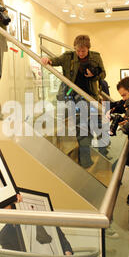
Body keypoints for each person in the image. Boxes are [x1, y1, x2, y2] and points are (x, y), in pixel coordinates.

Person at [41, 35, 107, 168]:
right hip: (70, 96)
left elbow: (103, 74)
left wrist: (94, 75)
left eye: (83, 51)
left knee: (88, 127)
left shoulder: (96, 57)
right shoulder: (68, 56)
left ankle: (90, 158)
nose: (80, 54)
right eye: (78, 51)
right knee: (82, 128)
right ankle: (84, 160)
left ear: (88, 49)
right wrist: (47, 60)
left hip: (89, 96)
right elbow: (55, 60)